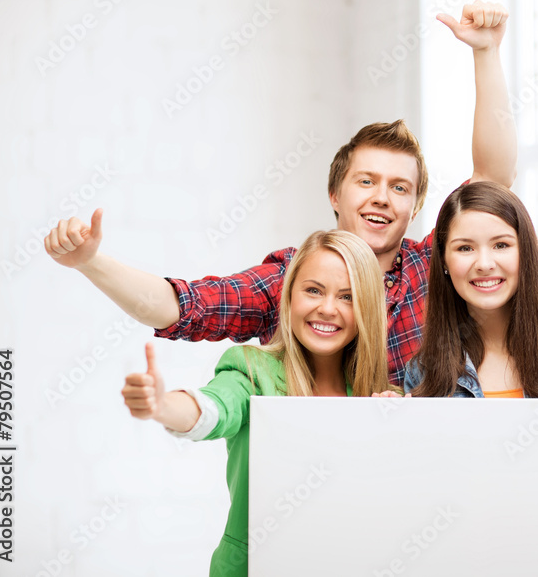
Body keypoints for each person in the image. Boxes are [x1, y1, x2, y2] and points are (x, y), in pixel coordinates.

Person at [45, 1, 516, 386]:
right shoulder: (294, 278)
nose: (381, 198)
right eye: (366, 181)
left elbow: (493, 181)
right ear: (335, 193)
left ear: (415, 207)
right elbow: (186, 307)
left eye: (399, 188)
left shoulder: (432, 267)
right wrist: (90, 262)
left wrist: (486, 52)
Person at [121, 230, 390, 577]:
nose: (327, 308)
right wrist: (162, 405)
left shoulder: (382, 396)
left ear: (367, 310)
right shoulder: (252, 369)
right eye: (313, 290)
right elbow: (216, 408)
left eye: (348, 297)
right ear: (289, 295)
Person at [402, 181, 538, 398]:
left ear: (525, 251)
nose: (484, 264)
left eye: (501, 245)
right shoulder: (422, 372)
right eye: (465, 248)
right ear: (443, 261)